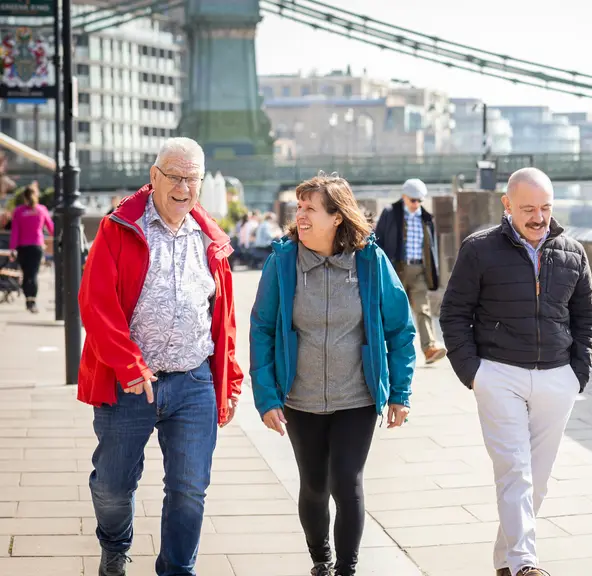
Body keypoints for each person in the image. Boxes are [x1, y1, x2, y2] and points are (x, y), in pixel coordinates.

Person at [77, 137, 244, 576]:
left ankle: (176, 570)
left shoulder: (211, 238)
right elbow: (96, 303)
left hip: (193, 382)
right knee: (113, 486)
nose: (184, 187)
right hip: (130, 383)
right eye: (175, 176)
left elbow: (222, 321)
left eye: (193, 178)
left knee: (190, 490)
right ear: (154, 177)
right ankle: (114, 545)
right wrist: (129, 365)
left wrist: (228, 381)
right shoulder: (118, 228)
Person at [249, 174, 416, 576]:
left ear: (337, 217)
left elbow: (399, 328)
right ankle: (320, 560)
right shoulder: (283, 262)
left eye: (310, 208)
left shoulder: (370, 262)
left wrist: (400, 392)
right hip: (300, 398)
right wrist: (267, 397)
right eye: (299, 207)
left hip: (356, 397)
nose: (299, 215)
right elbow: (262, 328)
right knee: (314, 485)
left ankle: (346, 569)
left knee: (346, 481)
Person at [440, 167, 592, 576]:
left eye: (545, 207)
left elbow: (586, 316)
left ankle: (506, 564)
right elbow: (454, 312)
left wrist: (578, 373)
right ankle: (526, 563)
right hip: (499, 374)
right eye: (528, 208)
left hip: (558, 377)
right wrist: (474, 374)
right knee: (514, 470)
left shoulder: (573, 251)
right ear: (506, 205)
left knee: (537, 481)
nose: (538, 217)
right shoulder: (479, 249)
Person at [374, 178, 447, 364]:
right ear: (404, 197)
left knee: (423, 308)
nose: (416, 204)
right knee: (392, 309)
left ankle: (429, 347)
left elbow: (431, 247)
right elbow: (379, 241)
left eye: (419, 200)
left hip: (419, 269)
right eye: (413, 200)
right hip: (396, 268)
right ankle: (385, 349)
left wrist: (433, 270)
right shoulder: (391, 213)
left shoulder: (426, 218)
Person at [8, 181, 53, 313]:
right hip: (36, 246)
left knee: (26, 274)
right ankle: (31, 301)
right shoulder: (41, 210)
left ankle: (28, 298)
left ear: (24, 197)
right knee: (33, 274)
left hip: (22, 247)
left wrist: (12, 248)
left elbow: (15, 231)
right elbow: (51, 228)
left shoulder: (18, 211)